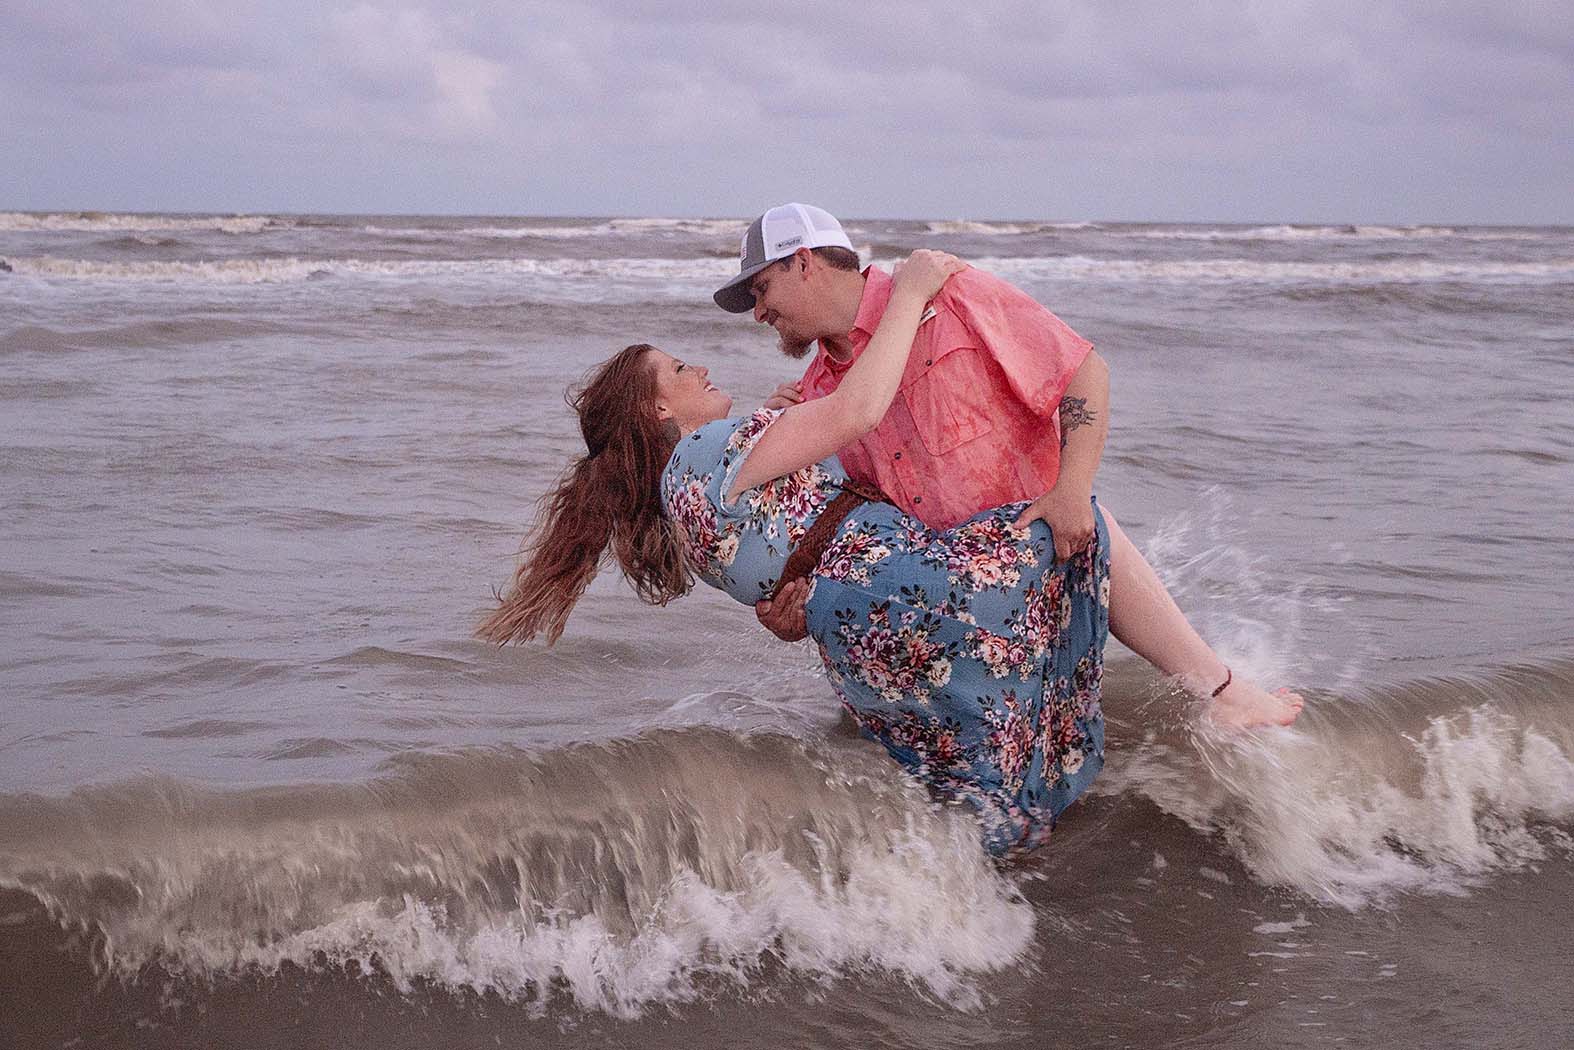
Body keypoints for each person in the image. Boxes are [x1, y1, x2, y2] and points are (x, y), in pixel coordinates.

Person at [481, 250, 1118, 854]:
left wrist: (782, 427)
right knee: (1073, 521)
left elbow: (781, 555)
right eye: (678, 370)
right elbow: (860, 408)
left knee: (958, 775)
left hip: (849, 638)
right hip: (899, 591)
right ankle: (1062, 782)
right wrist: (915, 290)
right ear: (659, 406)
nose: (697, 369)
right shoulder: (717, 450)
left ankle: (960, 893)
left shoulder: (680, 499)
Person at [712, 203, 1301, 727]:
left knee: (1092, 522)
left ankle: (1221, 690)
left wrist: (1072, 489)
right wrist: (797, 605)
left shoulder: (948, 293)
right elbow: (850, 530)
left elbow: (1083, 372)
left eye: (761, 290)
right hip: (955, 610)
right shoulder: (818, 396)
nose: (758, 312)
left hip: (1044, 549)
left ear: (805, 262)